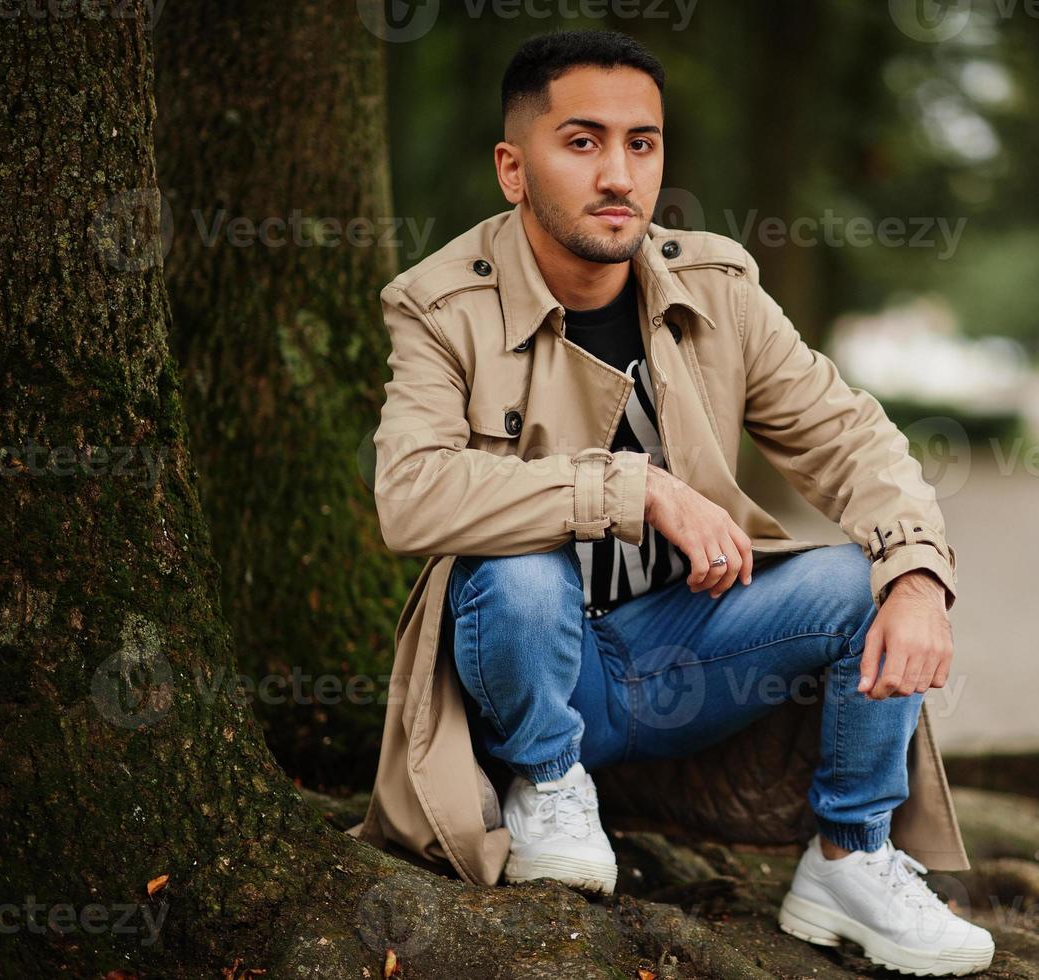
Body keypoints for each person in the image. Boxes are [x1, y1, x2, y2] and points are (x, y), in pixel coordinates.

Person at [371, 28, 994, 976]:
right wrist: (632, 489)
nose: (618, 173)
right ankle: (545, 783)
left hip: (686, 656)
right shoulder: (439, 303)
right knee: (517, 567)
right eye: (581, 142)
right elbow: (410, 497)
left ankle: (849, 860)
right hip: (535, 662)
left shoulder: (717, 287)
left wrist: (915, 571)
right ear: (512, 167)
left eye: (642, 143)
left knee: (861, 580)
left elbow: (849, 436)